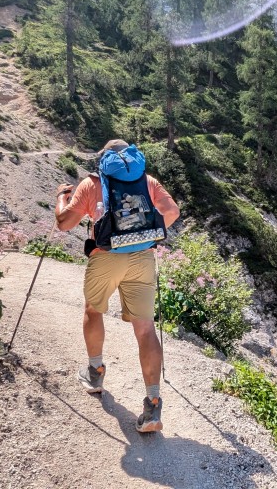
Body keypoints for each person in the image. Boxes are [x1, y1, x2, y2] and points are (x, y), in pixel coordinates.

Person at [55, 139, 180, 433]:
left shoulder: (91, 184)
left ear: (103, 160)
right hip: (142, 258)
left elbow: (64, 223)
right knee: (146, 329)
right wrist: (143, 235)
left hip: (106, 255)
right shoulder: (147, 181)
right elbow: (172, 212)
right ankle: (153, 404)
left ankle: (95, 372)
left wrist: (61, 197)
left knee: (93, 310)